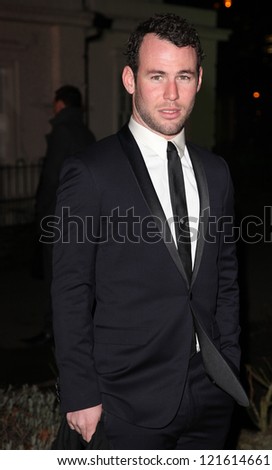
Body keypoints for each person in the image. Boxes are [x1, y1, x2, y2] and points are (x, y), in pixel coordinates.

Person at [51, 13, 248, 450]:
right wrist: (81, 392)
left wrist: (228, 363)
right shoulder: (90, 172)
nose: (172, 94)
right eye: (156, 76)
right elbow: (70, 289)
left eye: (183, 76)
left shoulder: (217, 173)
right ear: (130, 79)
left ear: (199, 80)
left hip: (210, 393)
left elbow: (227, 279)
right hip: (125, 400)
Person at [27, 85, 96, 346]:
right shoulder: (86, 133)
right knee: (75, 278)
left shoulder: (62, 132)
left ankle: (52, 331)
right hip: (79, 218)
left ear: (61, 104)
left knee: (54, 278)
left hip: (57, 218)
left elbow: (51, 177)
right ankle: (73, 330)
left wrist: (40, 212)